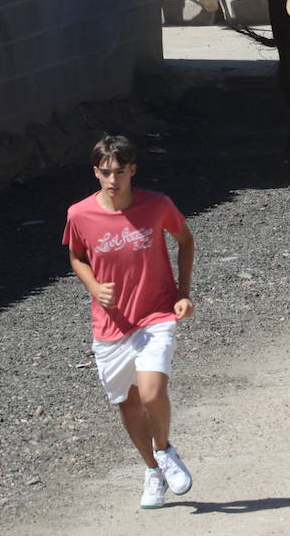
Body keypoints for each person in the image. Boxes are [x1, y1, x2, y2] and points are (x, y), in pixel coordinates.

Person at [63, 135, 195, 510]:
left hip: (156, 314)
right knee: (128, 404)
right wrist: (93, 286)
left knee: (153, 393)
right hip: (110, 326)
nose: (112, 180)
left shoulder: (157, 206)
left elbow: (185, 240)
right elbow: (76, 256)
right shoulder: (79, 214)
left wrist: (183, 294)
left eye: (120, 172)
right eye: (105, 172)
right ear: (95, 172)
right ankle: (153, 470)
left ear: (132, 170)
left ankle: (165, 449)